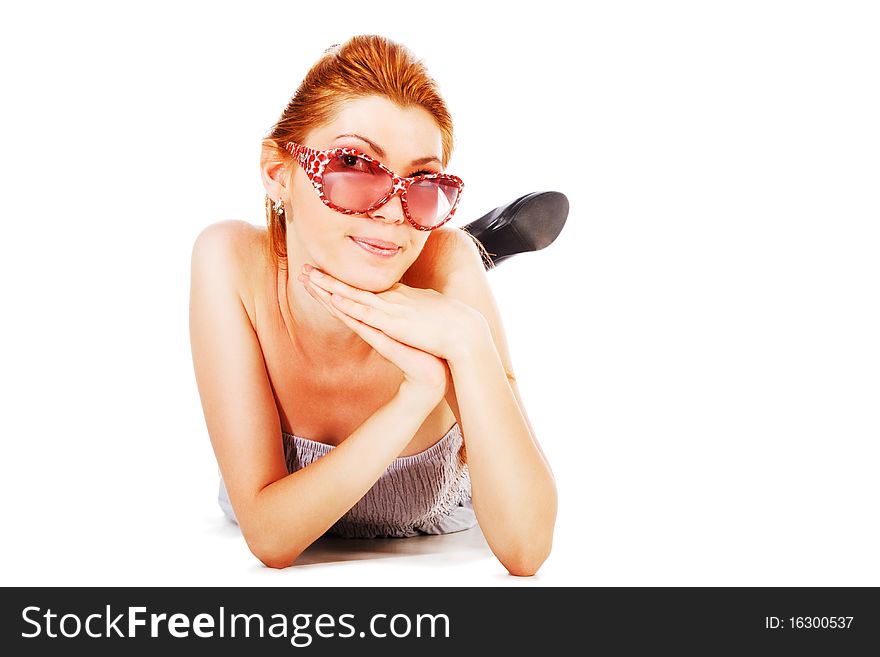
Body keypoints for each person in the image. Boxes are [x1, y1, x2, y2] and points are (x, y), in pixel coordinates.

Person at [189, 35, 563, 576]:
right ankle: (484, 243)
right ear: (278, 173)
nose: (392, 211)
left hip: (435, 512)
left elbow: (527, 550)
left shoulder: (443, 262)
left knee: (451, 256)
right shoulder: (230, 261)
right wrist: (417, 395)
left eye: (422, 183)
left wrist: (468, 338)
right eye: (354, 164)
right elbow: (270, 536)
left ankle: (483, 246)